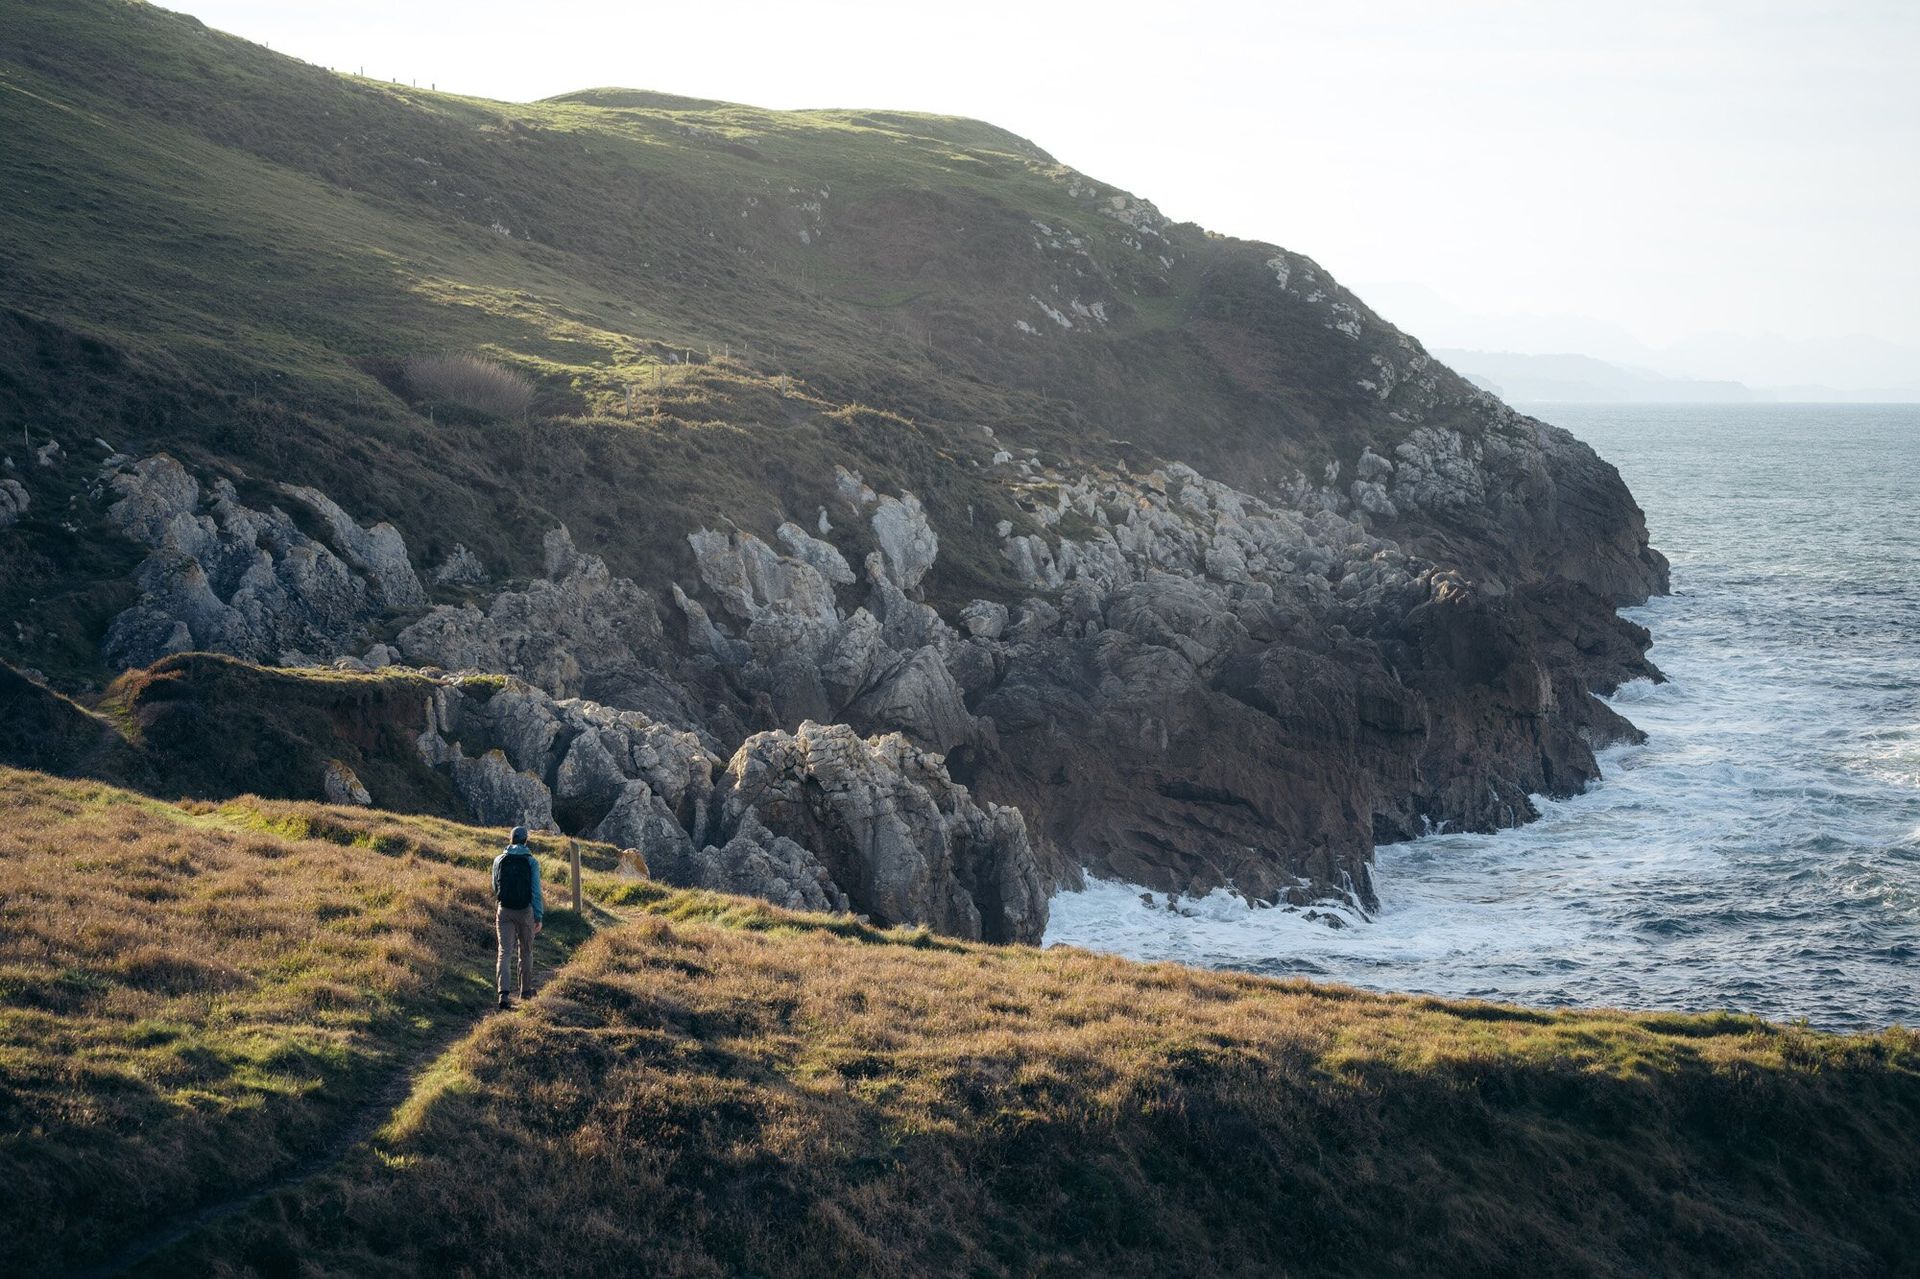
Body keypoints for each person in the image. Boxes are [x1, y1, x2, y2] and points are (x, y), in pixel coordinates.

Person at [492, 825, 543, 1010]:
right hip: (524, 911)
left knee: (504, 952)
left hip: (504, 909)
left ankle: (503, 994)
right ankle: (525, 991)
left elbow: (494, 885)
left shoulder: (499, 859)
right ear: (525, 840)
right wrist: (538, 915)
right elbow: (536, 891)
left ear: (510, 839)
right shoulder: (531, 862)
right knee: (526, 950)